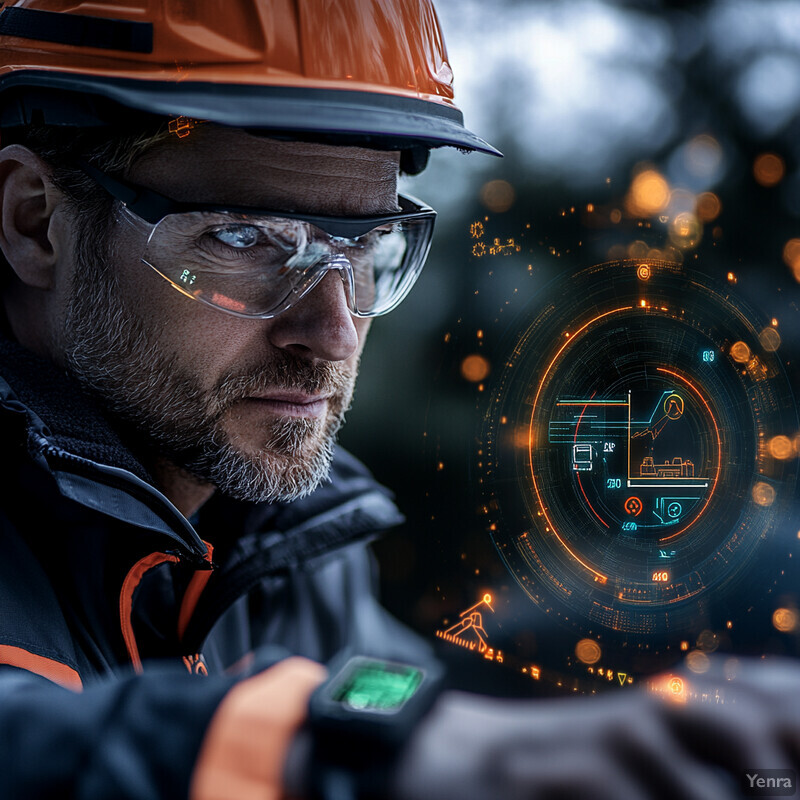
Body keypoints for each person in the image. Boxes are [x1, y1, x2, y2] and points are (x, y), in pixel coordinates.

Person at [0, 2, 798, 799]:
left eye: (363, 245)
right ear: (35, 222)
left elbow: (401, 700)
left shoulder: (286, 535)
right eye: (243, 238)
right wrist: (413, 756)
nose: (333, 331)